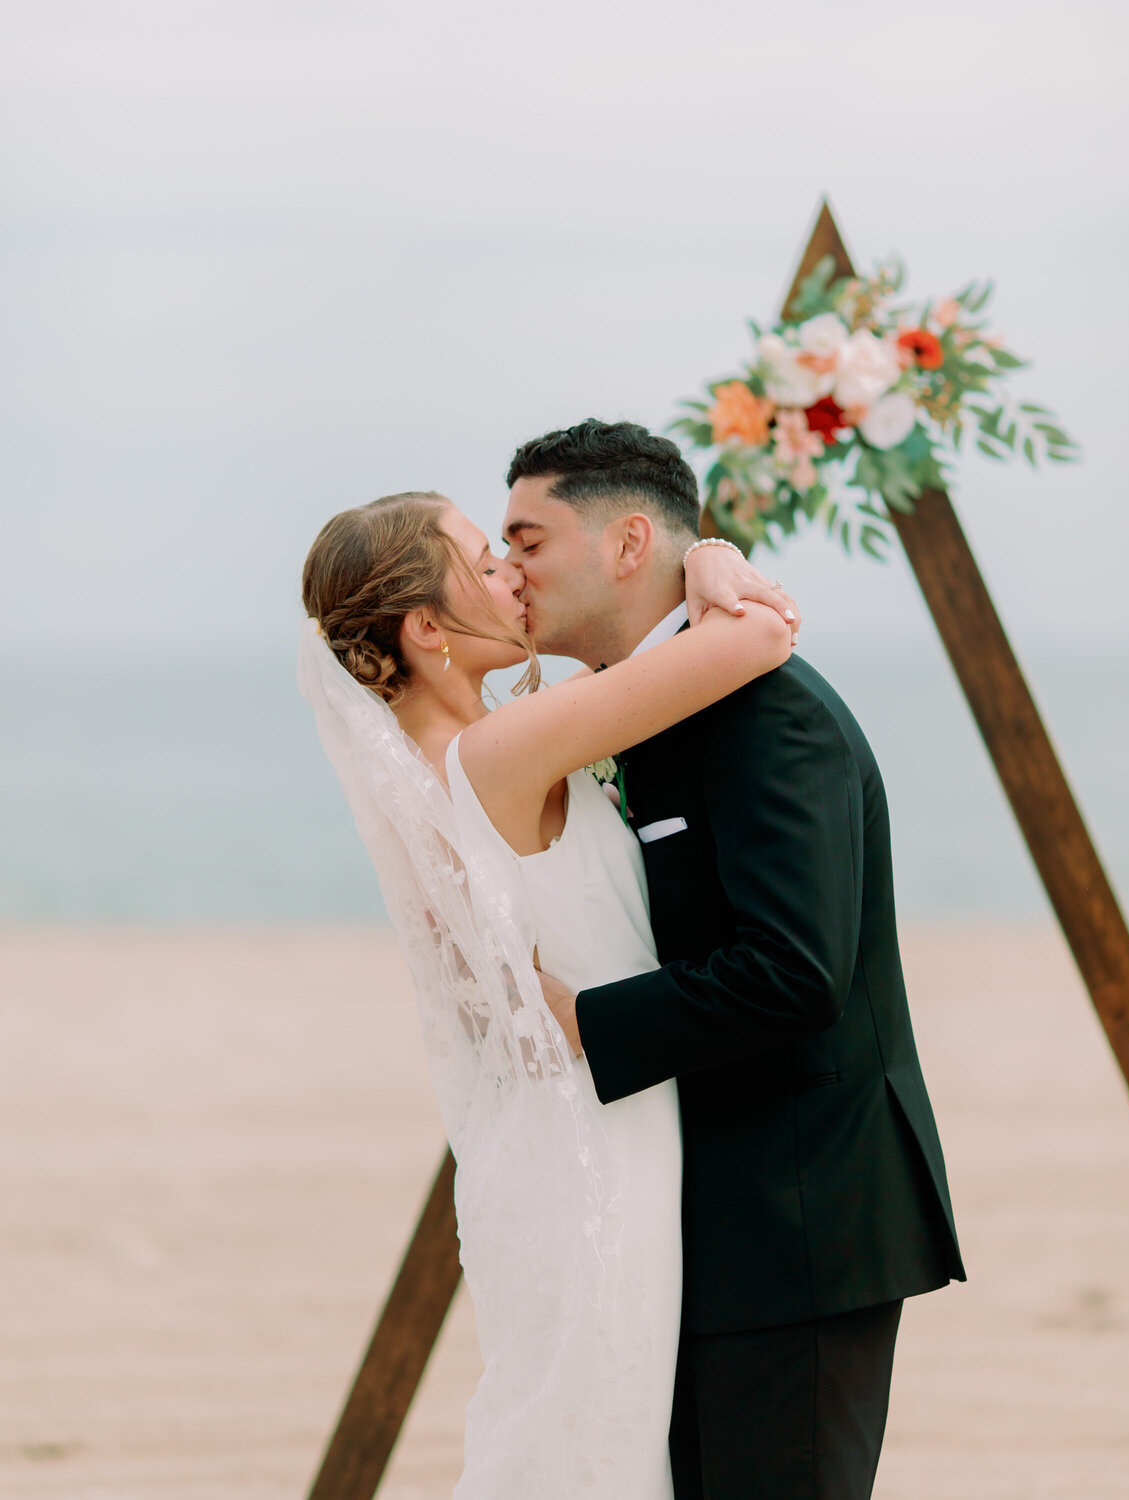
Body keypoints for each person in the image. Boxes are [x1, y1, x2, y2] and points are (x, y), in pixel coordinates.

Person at [298, 485, 796, 1499]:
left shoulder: (454, 757)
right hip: (595, 1157)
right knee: (588, 1449)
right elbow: (757, 641)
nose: (512, 574)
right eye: (483, 562)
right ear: (427, 628)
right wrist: (707, 558)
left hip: (561, 1138)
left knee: (571, 1435)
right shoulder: (494, 755)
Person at [503, 419, 967, 1500]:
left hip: (796, 1216)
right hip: (697, 1223)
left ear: (627, 545)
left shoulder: (767, 714)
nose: (508, 570)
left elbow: (798, 971)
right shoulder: (637, 706)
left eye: (529, 541)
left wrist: (583, 1023)